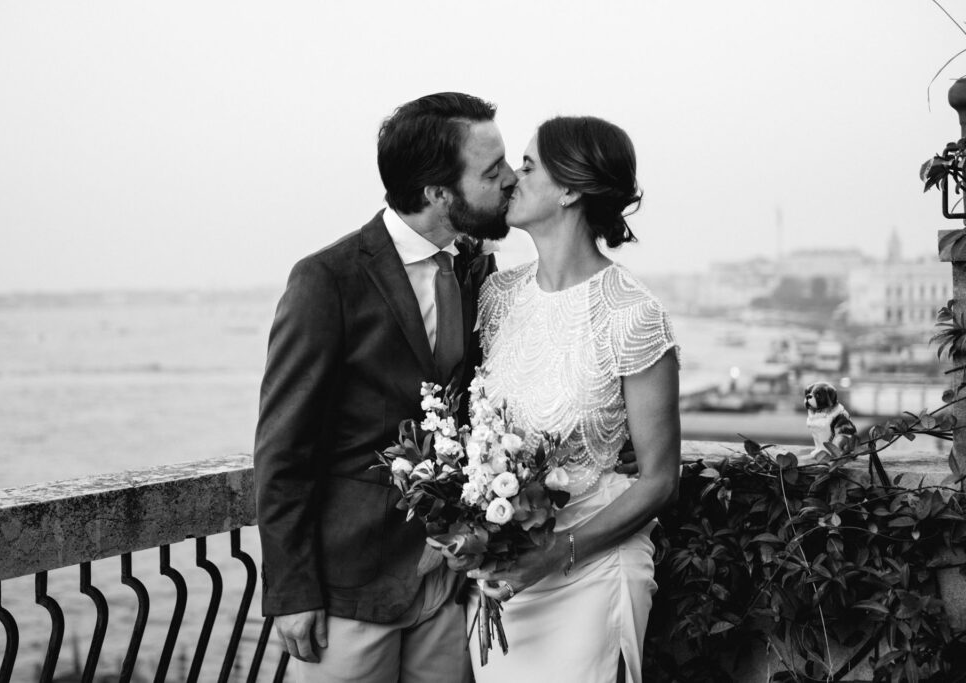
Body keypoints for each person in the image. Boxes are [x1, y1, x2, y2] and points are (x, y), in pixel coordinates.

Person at [253, 92, 516, 683]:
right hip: (350, 589)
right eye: (492, 171)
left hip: (449, 582)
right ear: (437, 193)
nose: (510, 180)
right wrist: (292, 591)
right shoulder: (328, 279)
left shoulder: (476, 269)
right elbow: (283, 448)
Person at [466, 116, 681, 683]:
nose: (512, 177)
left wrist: (557, 552)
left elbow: (660, 478)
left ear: (570, 189)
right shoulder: (497, 297)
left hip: (591, 569)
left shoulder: (632, 314)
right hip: (505, 576)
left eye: (529, 165)